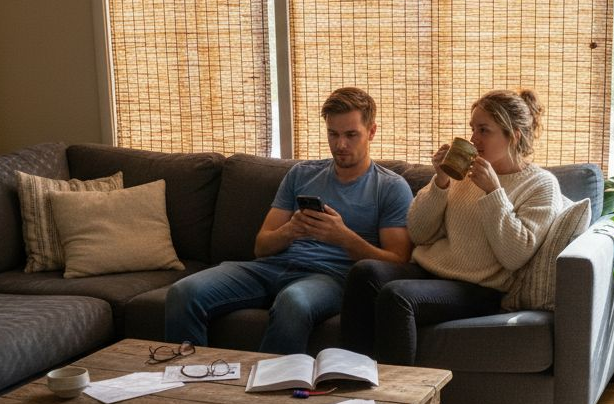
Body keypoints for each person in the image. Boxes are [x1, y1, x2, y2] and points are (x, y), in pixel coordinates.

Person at [165, 87, 413, 354]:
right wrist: (290, 230)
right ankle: (187, 388)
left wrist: (343, 237)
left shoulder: (390, 186)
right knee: (183, 293)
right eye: (333, 134)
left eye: (351, 135)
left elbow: (397, 261)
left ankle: (266, 390)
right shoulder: (302, 174)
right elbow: (261, 247)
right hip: (272, 267)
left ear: (372, 132)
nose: (340, 145)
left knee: (292, 302)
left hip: (330, 277)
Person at [342, 89, 562, 364]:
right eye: (472, 129)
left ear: (513, 135)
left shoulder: (540, 185)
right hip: (431, 271)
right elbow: (420, 232)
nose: (473, 139)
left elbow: (515, 256)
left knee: (397, 296)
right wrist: (441, 181)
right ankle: (347, 376)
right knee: (364, 272)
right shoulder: (463, 173)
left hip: (481, 288)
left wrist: (494, 192)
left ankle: (402, 399)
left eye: (484, 130)